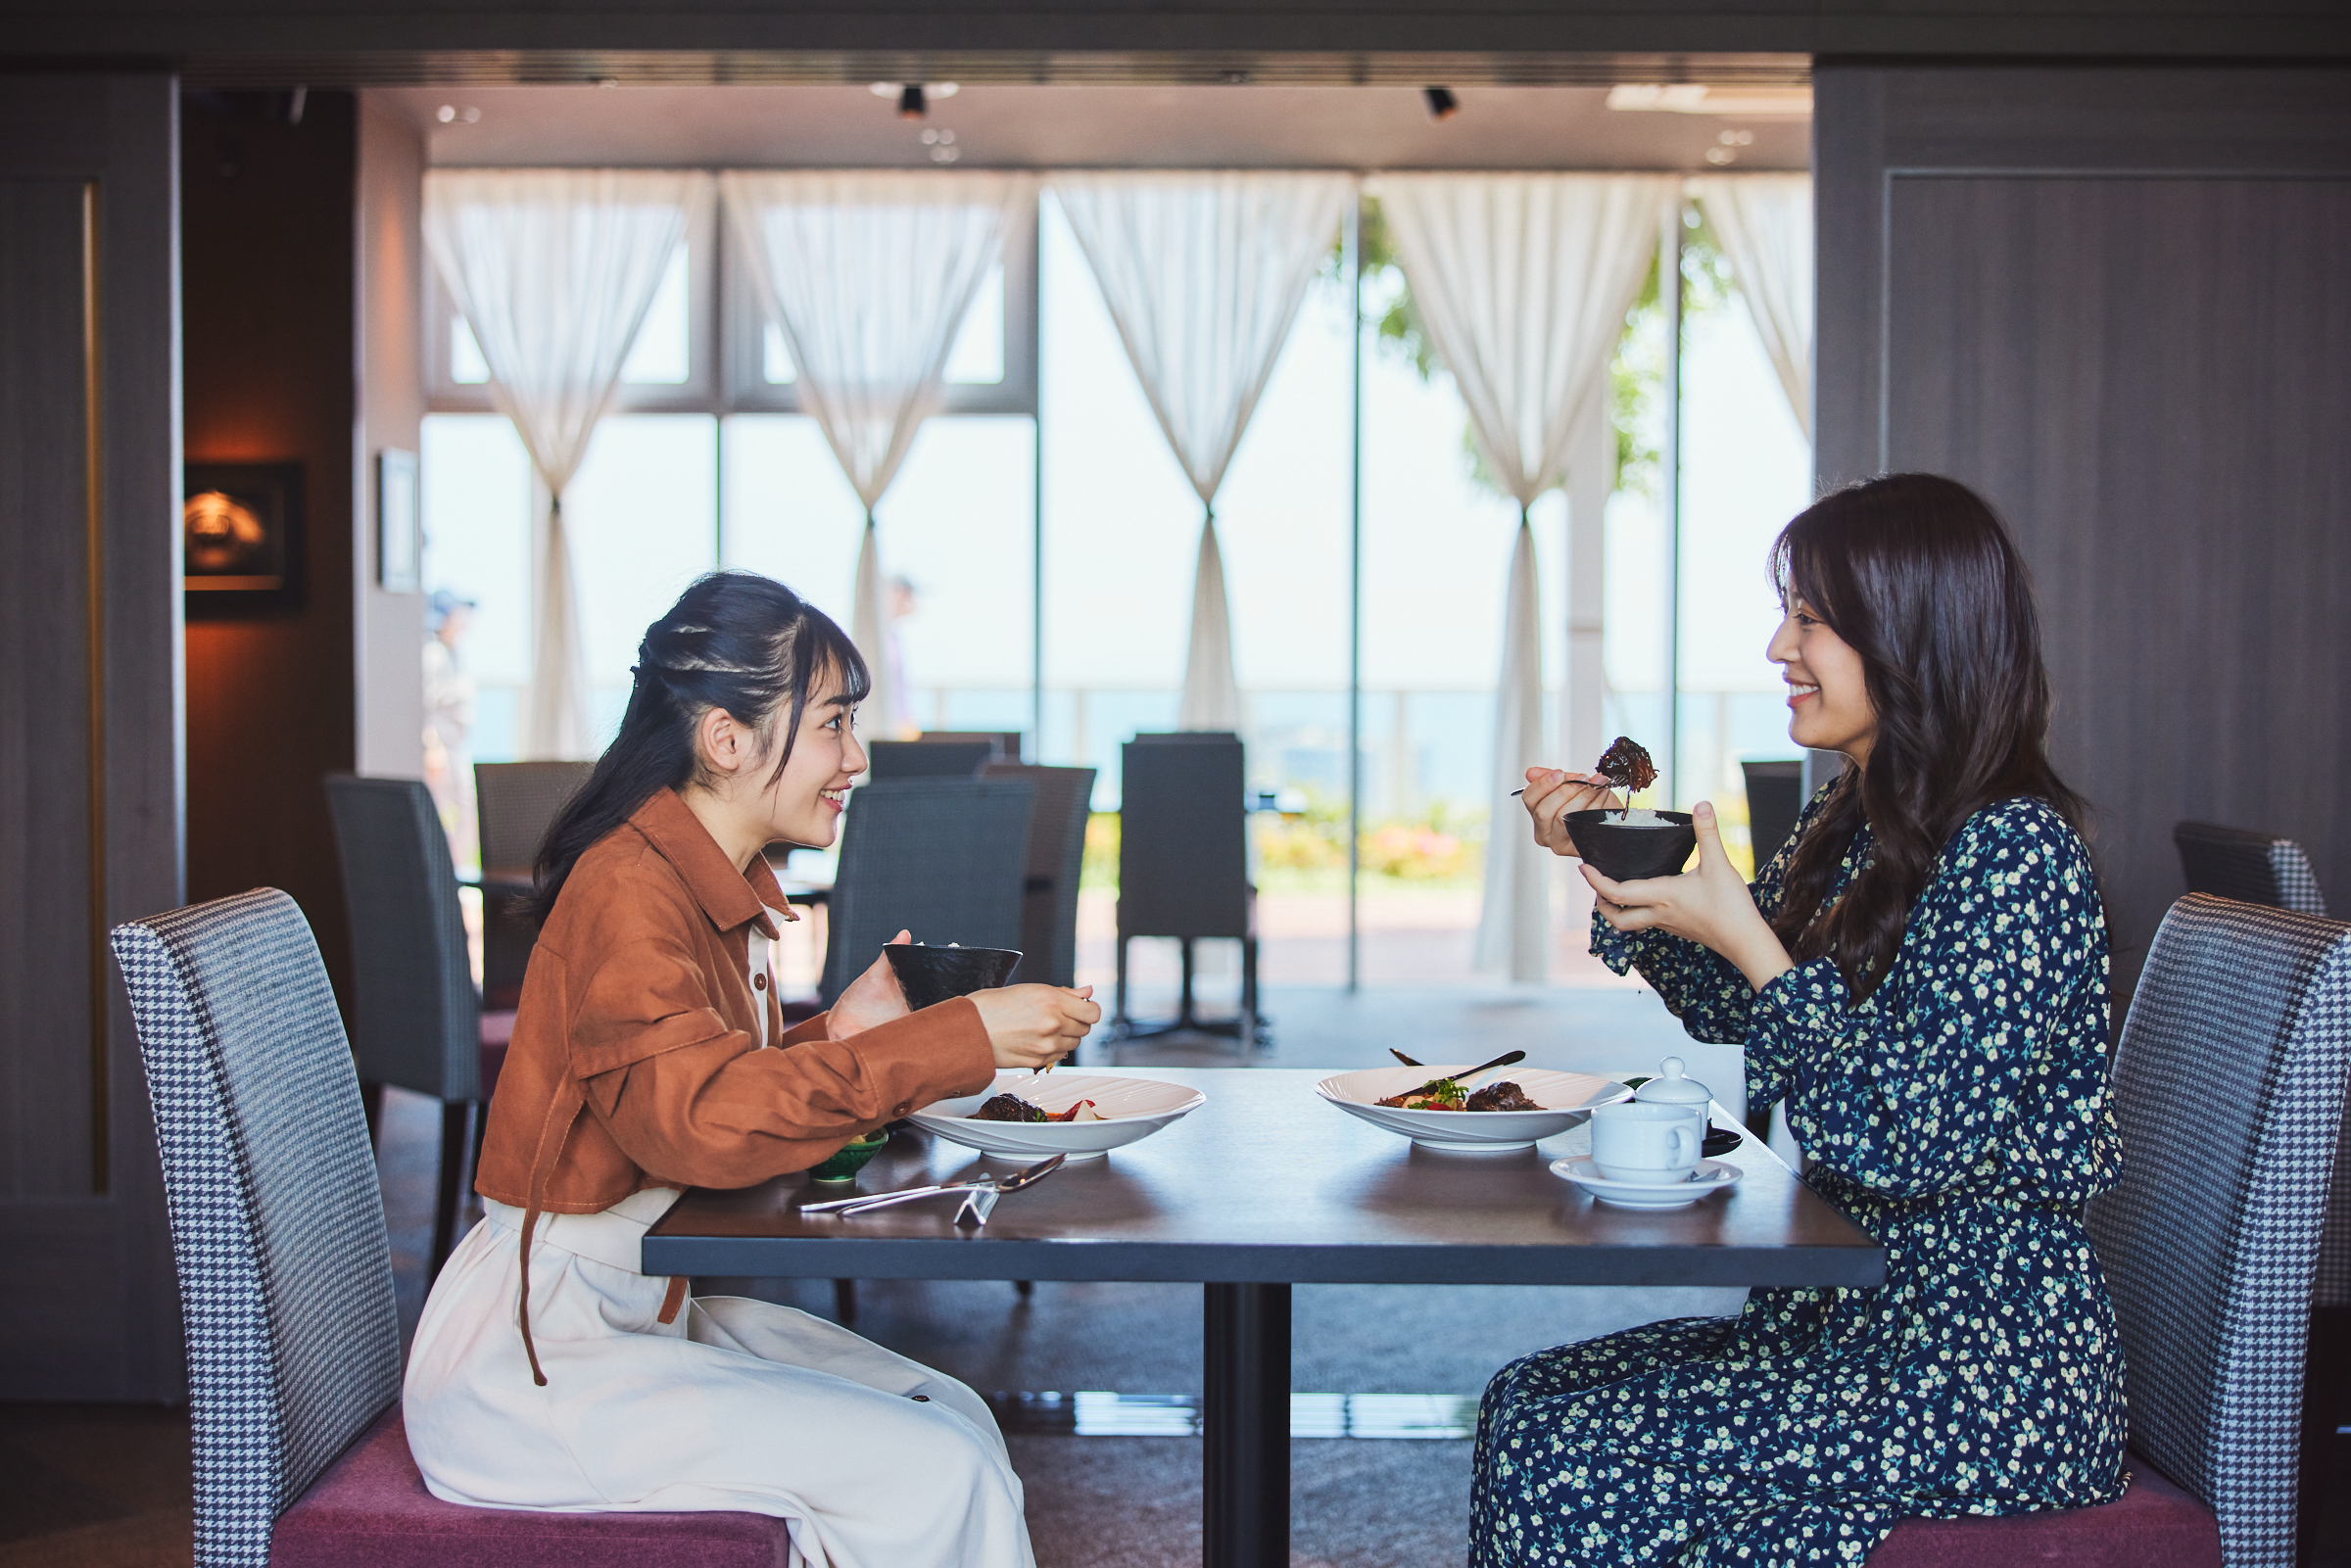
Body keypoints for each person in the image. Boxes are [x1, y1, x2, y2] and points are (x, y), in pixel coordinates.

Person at [1480, 475, 2126, 1566]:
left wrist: (1752, 940)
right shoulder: (1861, 819)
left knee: (1568, 1447)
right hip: (1849, 1322)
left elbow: (1906, 1132)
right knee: (1523, 1399)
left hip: (1980, 1368)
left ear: (1912, 635)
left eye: (1812, 619)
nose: (1780, 645)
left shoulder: (2017, 853)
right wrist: (1618, 858)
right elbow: (1755, 1010)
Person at [405, 570, 1100, 1568]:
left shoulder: (699, 882)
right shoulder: (628, 890)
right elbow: (697, 1121)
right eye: (832, 725)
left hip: (630, 1315)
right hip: (537, 1366)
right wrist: (960, 1037)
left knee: (949, 1412)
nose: (856, 758)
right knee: (935, 1469)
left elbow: (702, 1084)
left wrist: (849, 1031)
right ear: (726, 739)